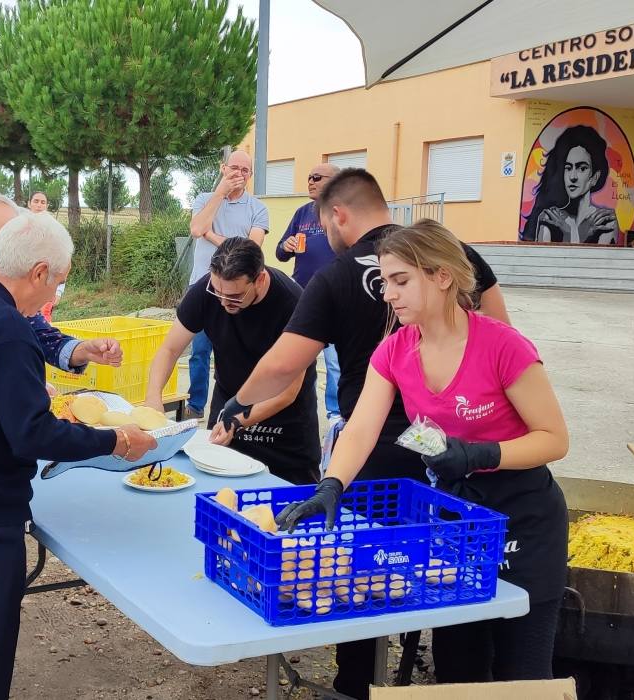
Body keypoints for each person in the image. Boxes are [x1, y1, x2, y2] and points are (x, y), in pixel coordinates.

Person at [218, 168, 511, 698]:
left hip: (371, 444)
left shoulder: (333, 276)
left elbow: (286, 363)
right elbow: (502, 335)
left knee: (359, 570)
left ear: (338, 216)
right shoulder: (451, 252)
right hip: (454, 444)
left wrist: (237, 404)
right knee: (452, 566)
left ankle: (356, 683)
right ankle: (460, 683)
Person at [275, 220, 569, 684]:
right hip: (457, 520)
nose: (388, 294)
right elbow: (361, 429)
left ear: (442, 276)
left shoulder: (502, 345)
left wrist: (478, 455)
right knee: (458, 667)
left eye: (400, 280)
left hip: (524, 520)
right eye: (385, 281)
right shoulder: (394, 350)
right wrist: (332, 484)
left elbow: (554, 438)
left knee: (523, 675)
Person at [0, 212, 156, 700]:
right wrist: (116, 441)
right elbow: (32, 433)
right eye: (58, 282)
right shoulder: (6, 328)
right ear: (39, 272)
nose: (54, 296)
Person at [146, 238, 319, 484]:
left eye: (235, 296)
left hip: (285, 426)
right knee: (219, 493)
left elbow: (287, 393)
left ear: (259, 279)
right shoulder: (208, 291)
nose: (224, 302)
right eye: (217, 292)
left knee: (291, 503)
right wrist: (153, 398)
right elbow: (170, 350)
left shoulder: (293, 303)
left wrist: (238, 421)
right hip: (228, 403)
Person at [0, 192, 123, 374]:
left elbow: (40, 333)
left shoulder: (6, 274)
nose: (2, 248)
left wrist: (84, 350)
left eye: (8, 240)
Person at [186, 149, 269, 419]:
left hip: (238, 292)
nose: (239, 174)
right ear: (223, 169)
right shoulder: (205, 199)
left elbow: (252, 248)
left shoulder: (258, 208)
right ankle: (195, 405)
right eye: (235, 168)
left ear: (251, 175)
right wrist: (219, 195)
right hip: (202, 286)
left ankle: (236, 404)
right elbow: (197, 229)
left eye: (245, 170)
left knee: (236, 350)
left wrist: (214, 236)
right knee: (199, 351)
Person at [275, 162, 341, 421]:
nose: (310, 182)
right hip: (301, 296)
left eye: (317, 177)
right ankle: (300, 404)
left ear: (335, 182)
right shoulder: (302, 213)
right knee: (298, 357)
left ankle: (335, 413)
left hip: (334, 297)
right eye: (308, 177)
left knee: (334, 361)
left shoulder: (340, 213)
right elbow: (280, 252)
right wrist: (287, 244)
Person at [524, 125, 618, 245]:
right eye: (568, 168)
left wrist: (571, 233)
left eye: (582, 168)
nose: (572, 176)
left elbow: (597, 261)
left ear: (595, 177)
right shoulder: (549, 218)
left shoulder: (605, 221)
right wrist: (572, 232)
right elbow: (545, 260)